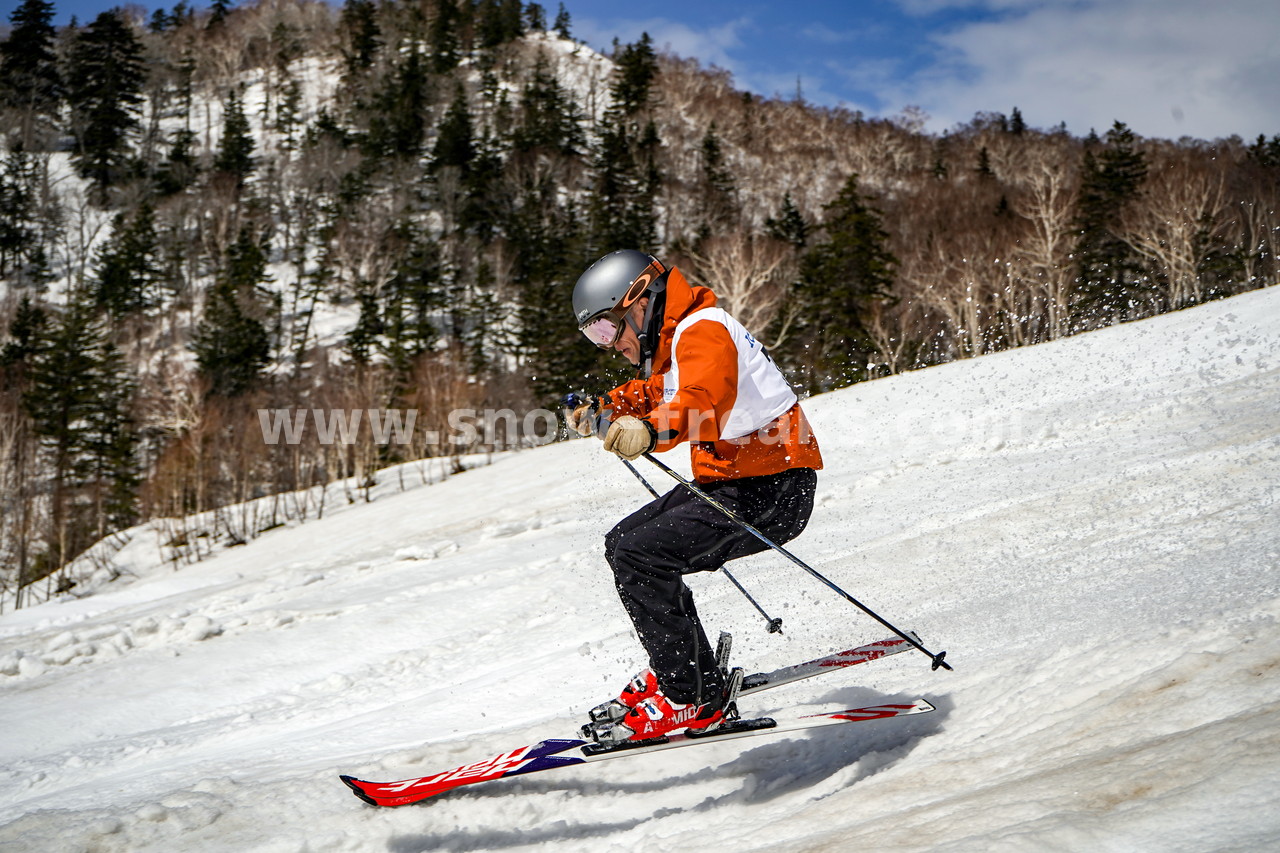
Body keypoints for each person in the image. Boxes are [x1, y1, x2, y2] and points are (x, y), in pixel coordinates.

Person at [568, 249, 823, 744]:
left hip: (771, 488)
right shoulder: (679, 339)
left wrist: (647, 429)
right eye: (593, 337)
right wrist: (604, 407)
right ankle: (686, 675)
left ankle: (688, 695)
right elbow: (656, 392)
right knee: (623, 542)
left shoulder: (702, 329)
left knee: (640, 554)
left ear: (638, 299)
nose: (607, 345)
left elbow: (702, 402)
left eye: (605, 329)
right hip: (740, 483)